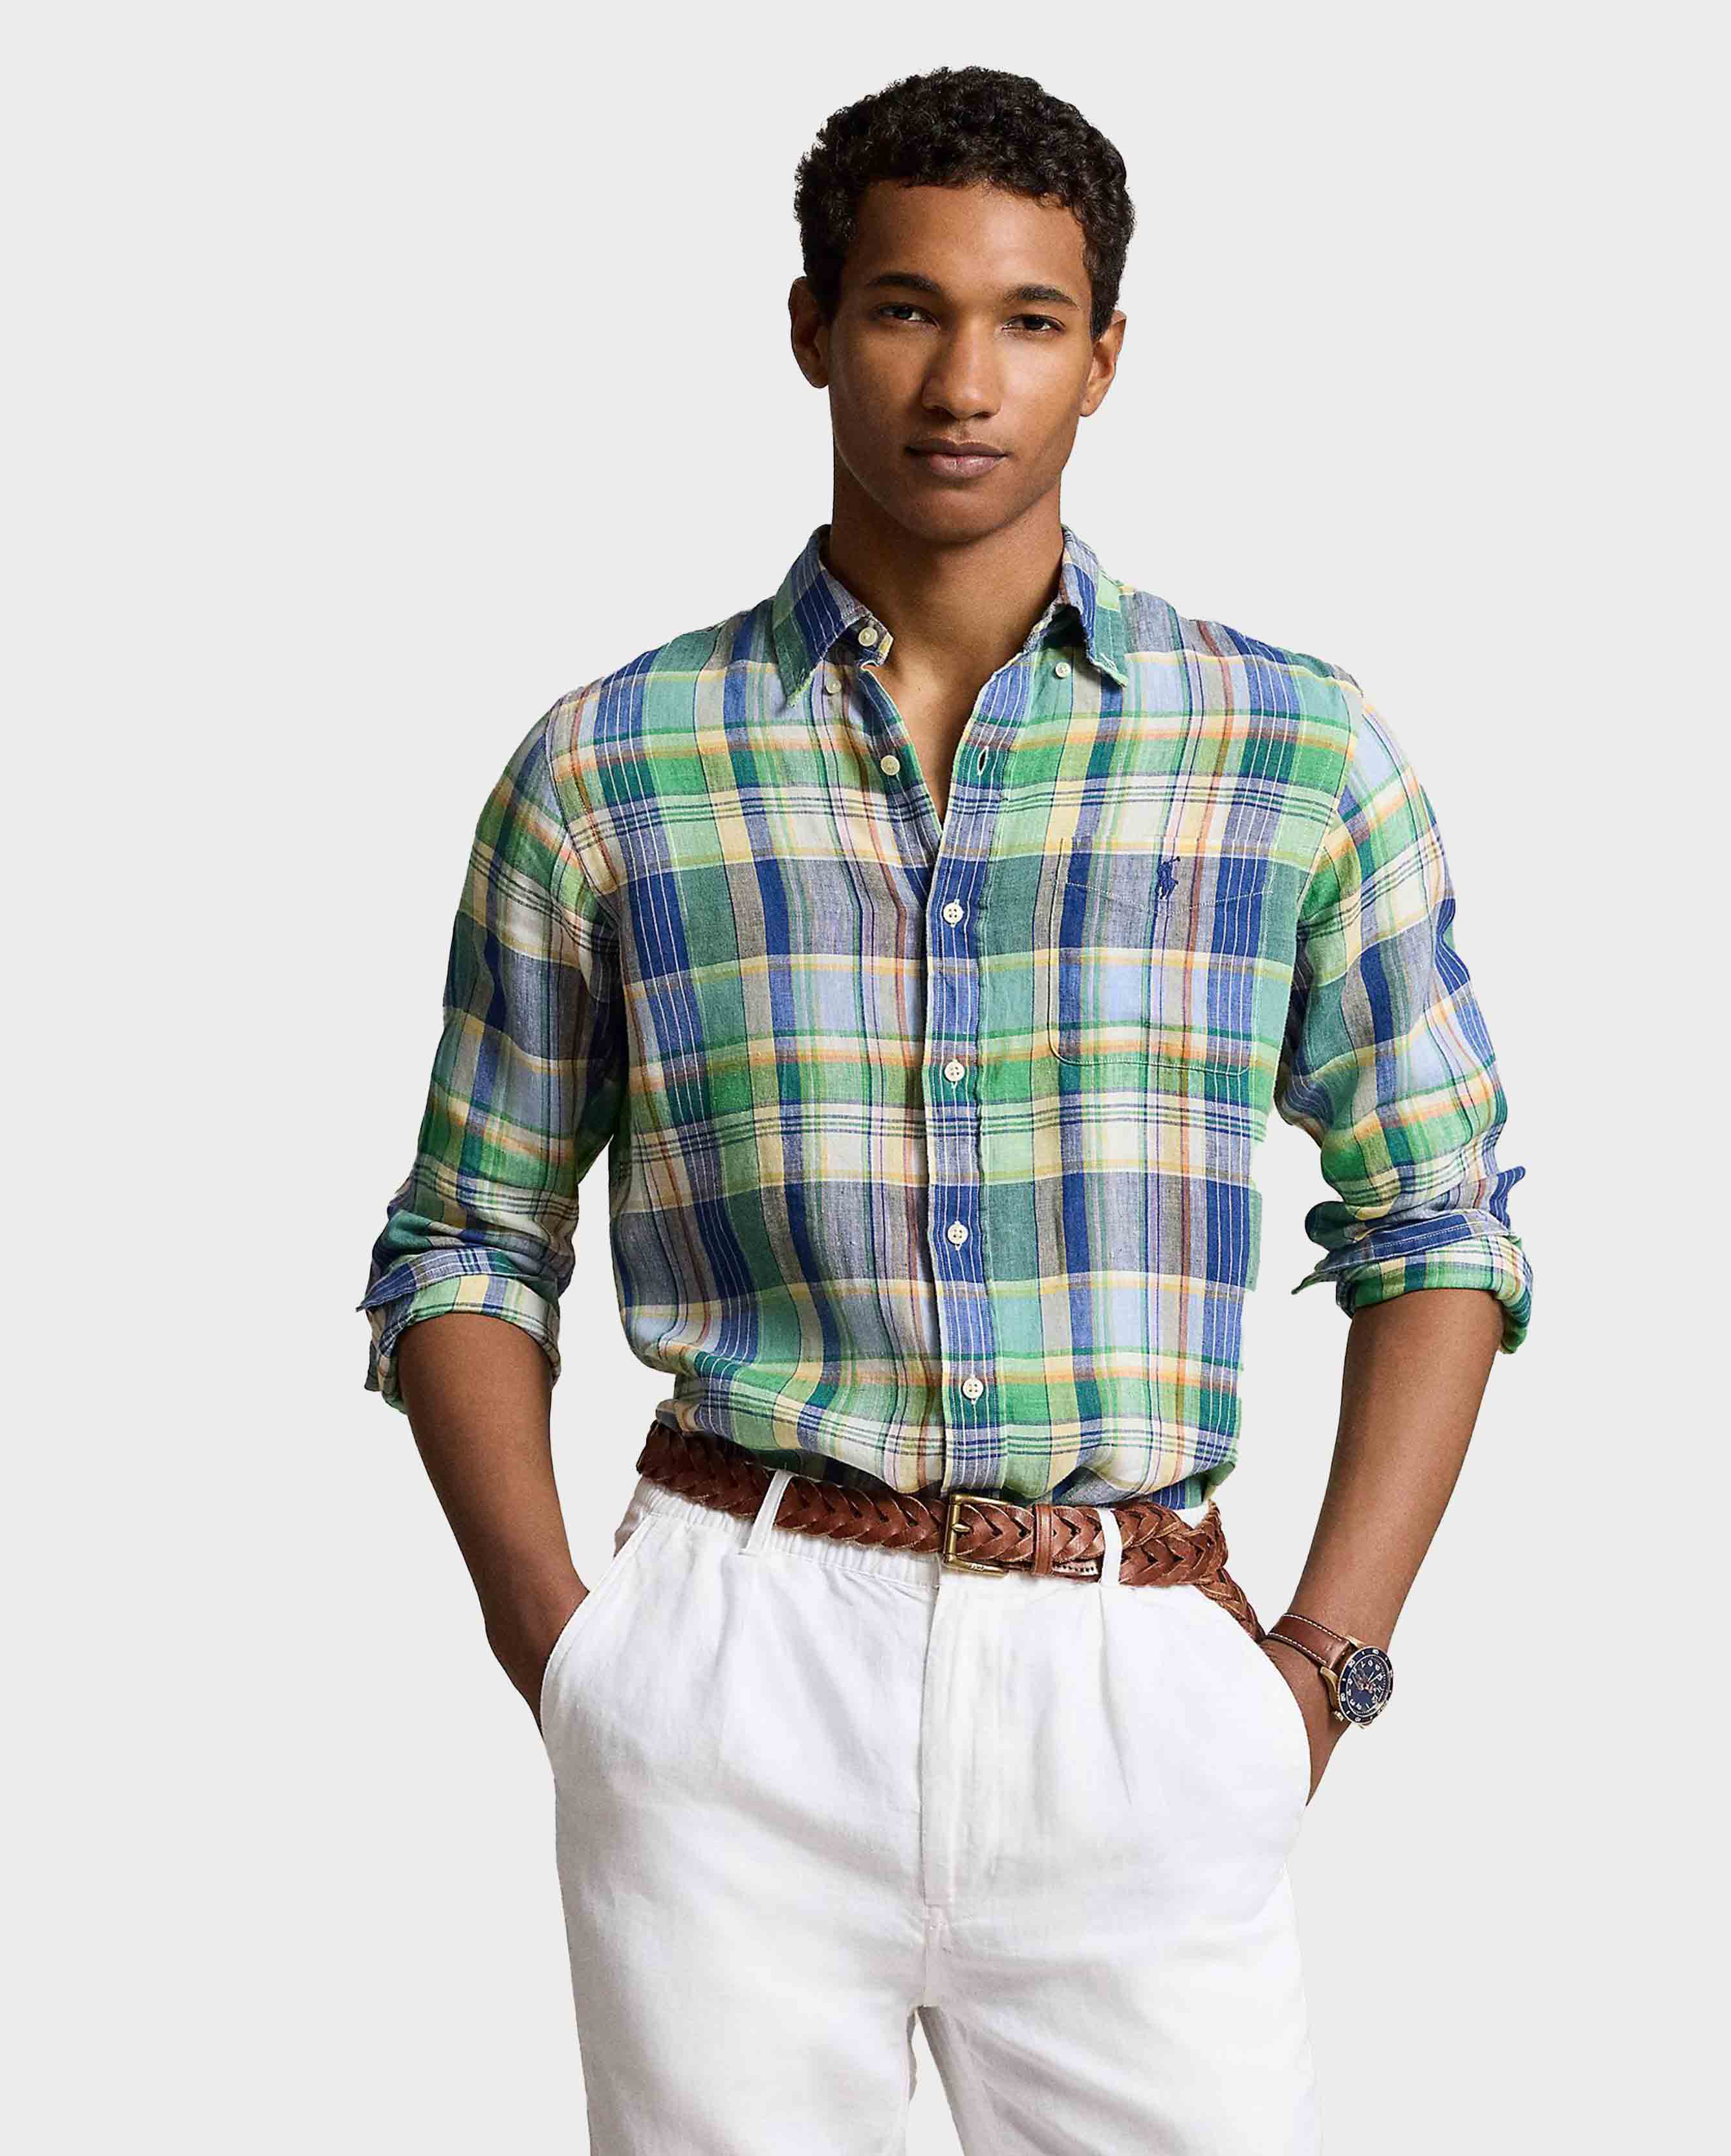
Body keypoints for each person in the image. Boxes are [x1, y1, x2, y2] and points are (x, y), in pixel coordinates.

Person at [356, 61, 1532, 2155]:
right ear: (813, 327)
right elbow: (463, 1236)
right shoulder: (613, 767)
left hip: (1137, 1674)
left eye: (1028, 320)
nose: (964, 382)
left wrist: (1319, 1673)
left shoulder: (1293, 754)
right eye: (906, 308)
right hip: (737, 1653)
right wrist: (567, 1657)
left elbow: (1438, 1224)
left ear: (1107, 356)